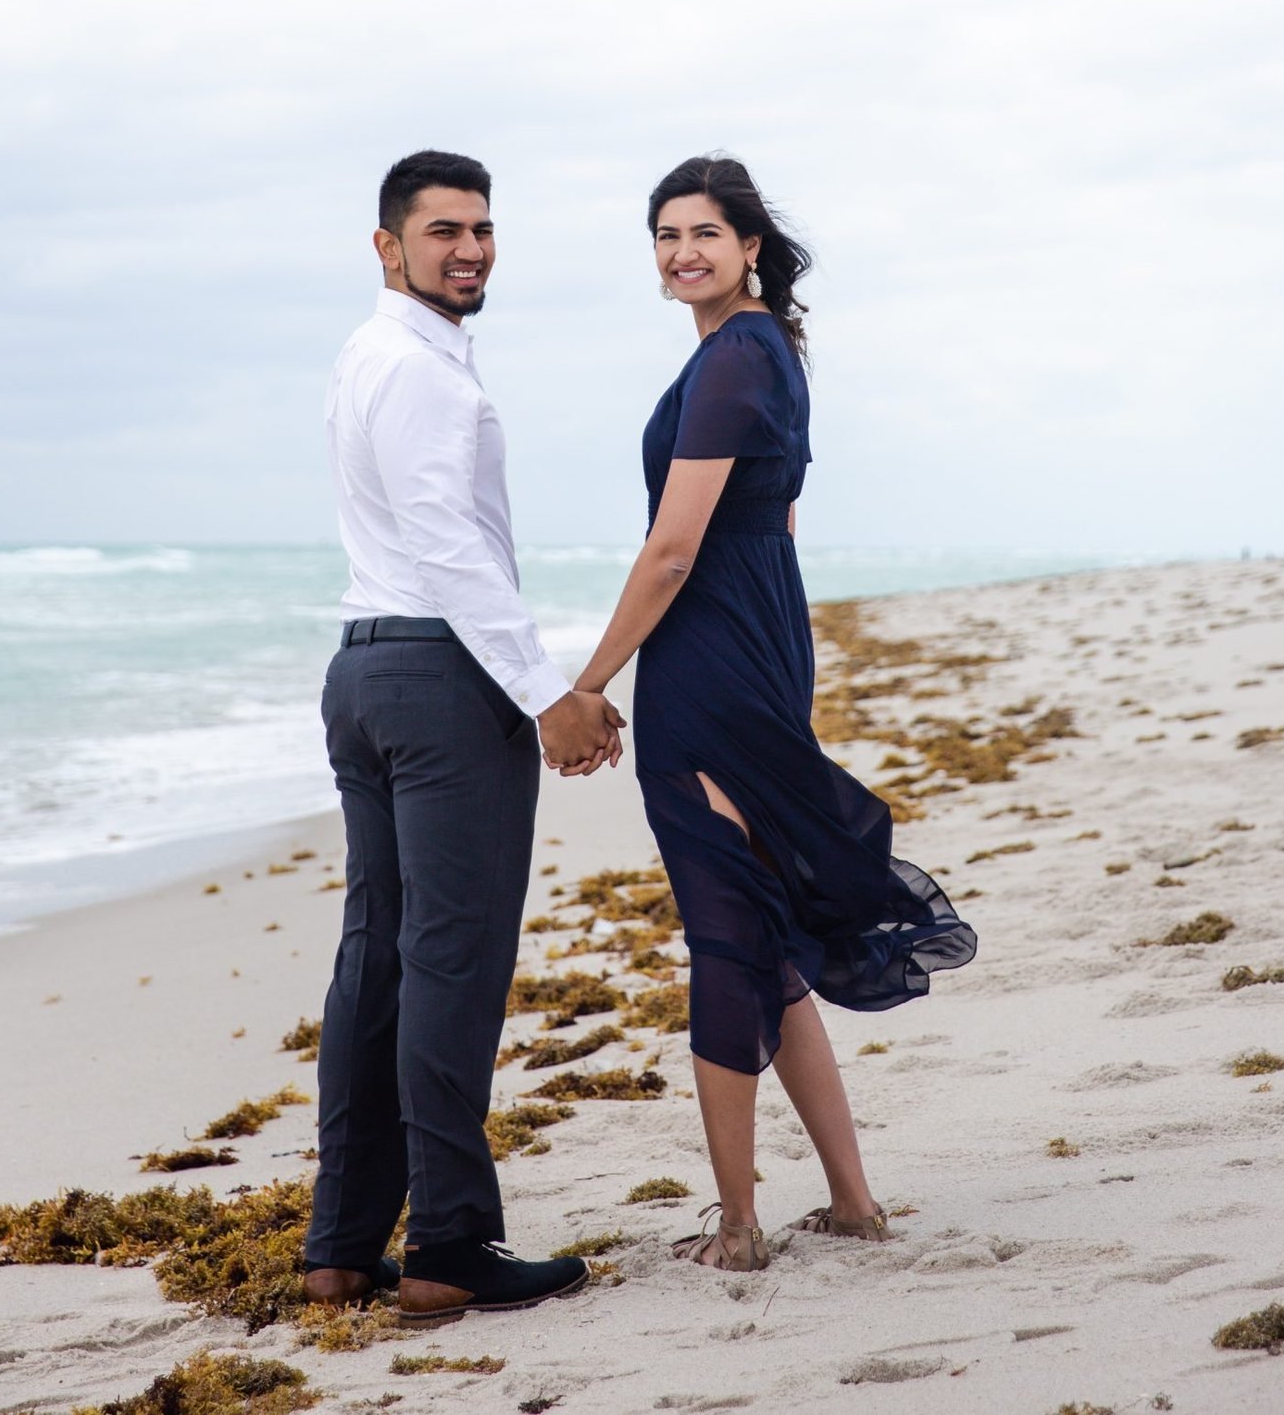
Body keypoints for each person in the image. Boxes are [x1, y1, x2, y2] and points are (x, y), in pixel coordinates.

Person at [573, 155, 976, 1272]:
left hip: (708, 670)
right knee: (759, 932)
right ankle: (851, 1202)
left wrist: (590, 683)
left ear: (749, 246)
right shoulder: (767, 354)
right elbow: (780, 524)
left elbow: (671, 550)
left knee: (722, 935)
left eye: (704, 232)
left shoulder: (732, 360)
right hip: (758, 646)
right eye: (665, 236)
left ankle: (741, 1226)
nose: (681, 252)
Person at [303, 149, 624, 1320]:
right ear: (387, 245)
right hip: (437, 680)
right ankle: (448, 1243)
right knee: (452, 959)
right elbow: (447, 546)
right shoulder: (420, 371)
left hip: (365, 670)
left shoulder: (369, 354)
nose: (470, 250)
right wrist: (546, 693)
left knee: (379, 958)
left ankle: (342, 1249)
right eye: (443, 231)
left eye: (482, 230)